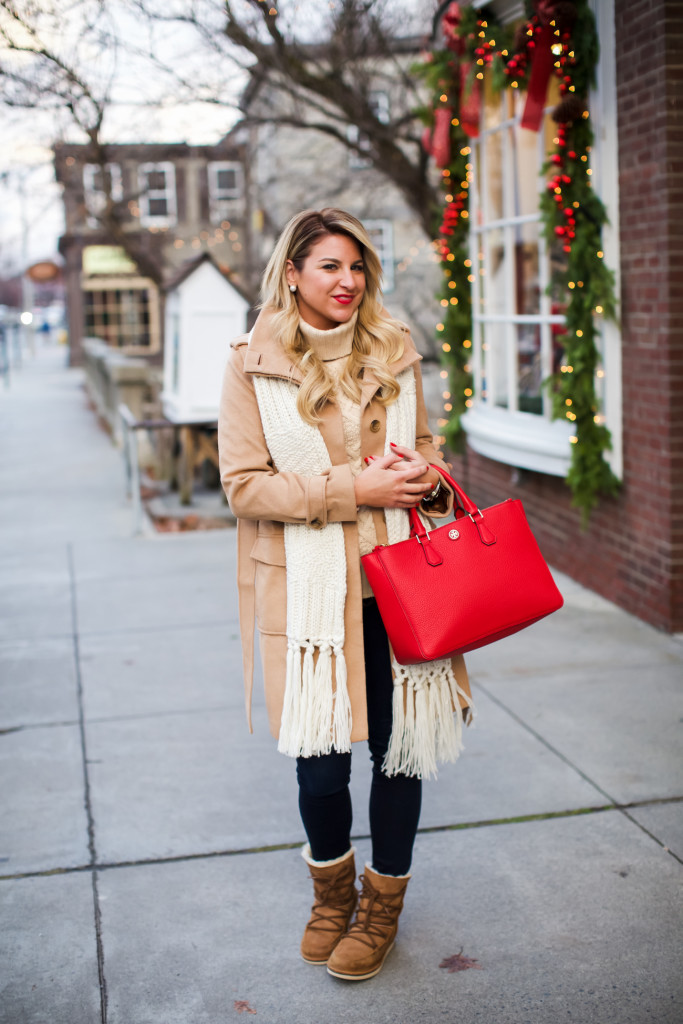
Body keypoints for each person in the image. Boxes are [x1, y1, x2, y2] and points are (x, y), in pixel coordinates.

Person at [218, 208, 472, 982]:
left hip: (398, 592)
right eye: (329, 266)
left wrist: (423, 476)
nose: (347, 281)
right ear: (291, 273)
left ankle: (380, 906)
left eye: (356, 266)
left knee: (401, 758)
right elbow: (244, 487)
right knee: (321, 768)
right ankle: (331, 896)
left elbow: (425, 448)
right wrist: (352, 486)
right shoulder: (250, 365)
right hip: (311, 605)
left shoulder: (395, 352)